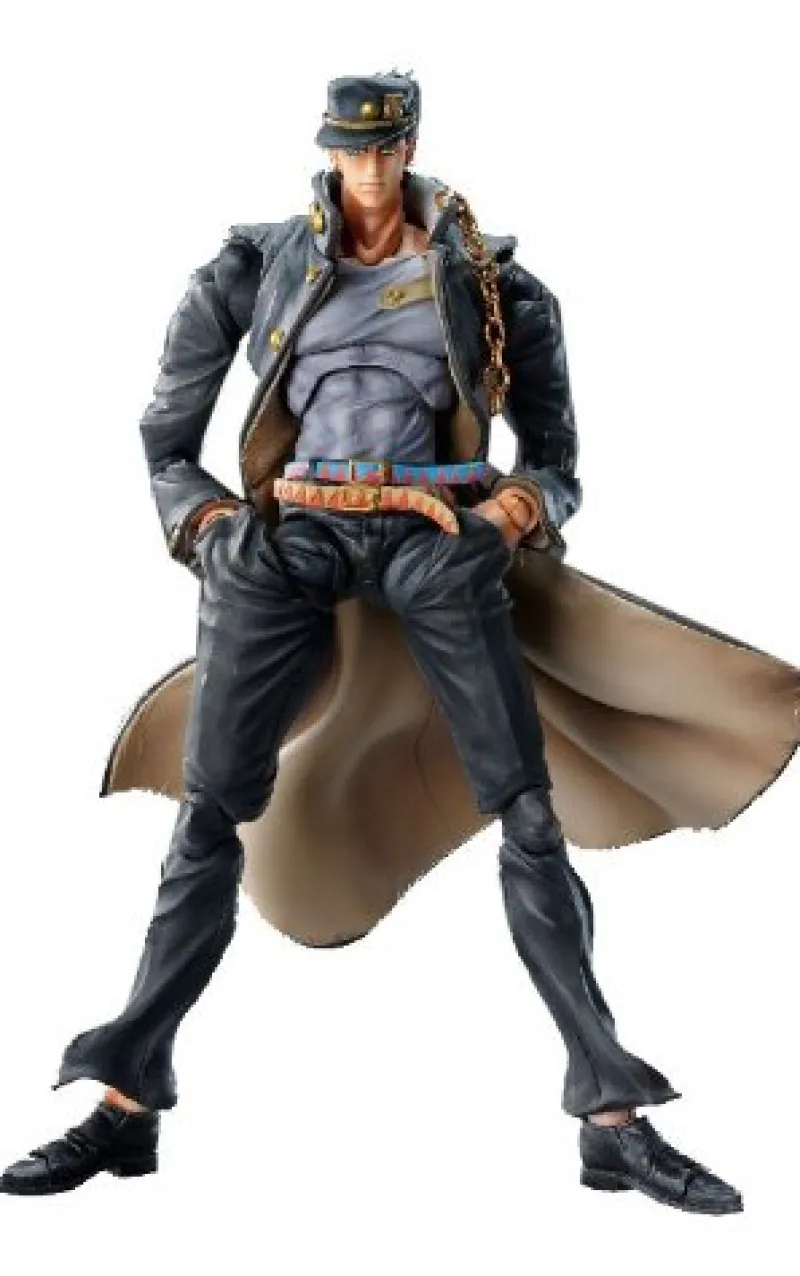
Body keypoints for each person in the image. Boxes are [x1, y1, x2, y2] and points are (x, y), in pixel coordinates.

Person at [0, 71, 747, 1212]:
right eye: (350, 151)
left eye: (385, 149)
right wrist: (209, 528)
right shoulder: (253, 268)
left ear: (409, 147)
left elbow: (555, 458)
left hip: (431, 536)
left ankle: (610, 1115)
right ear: (327, 152)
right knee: (209, 811)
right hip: (288, 537)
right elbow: (165, 440)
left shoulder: (489, 279)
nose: (368, 170)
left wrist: (510, 515)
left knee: (527, 808)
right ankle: (125, 1101)